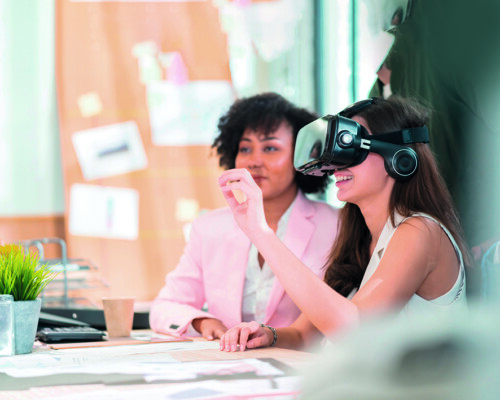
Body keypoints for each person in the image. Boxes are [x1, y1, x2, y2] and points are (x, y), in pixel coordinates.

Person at [218, 96, 471, 352]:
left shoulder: (420, 232)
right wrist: (267, 335)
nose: (336, 166)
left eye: (350, 150)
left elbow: (355, 332)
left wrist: (261, 233)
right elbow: (304, 336)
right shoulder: (359, 239)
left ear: (399, 158)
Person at [149, 92, 339, 340]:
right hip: (230, 369)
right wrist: (202, 321)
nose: (255, 161)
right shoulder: (208, 228)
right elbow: (164, 307)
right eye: (245, 148)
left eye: (270, 148)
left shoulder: (337, 225)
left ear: (301, 155)